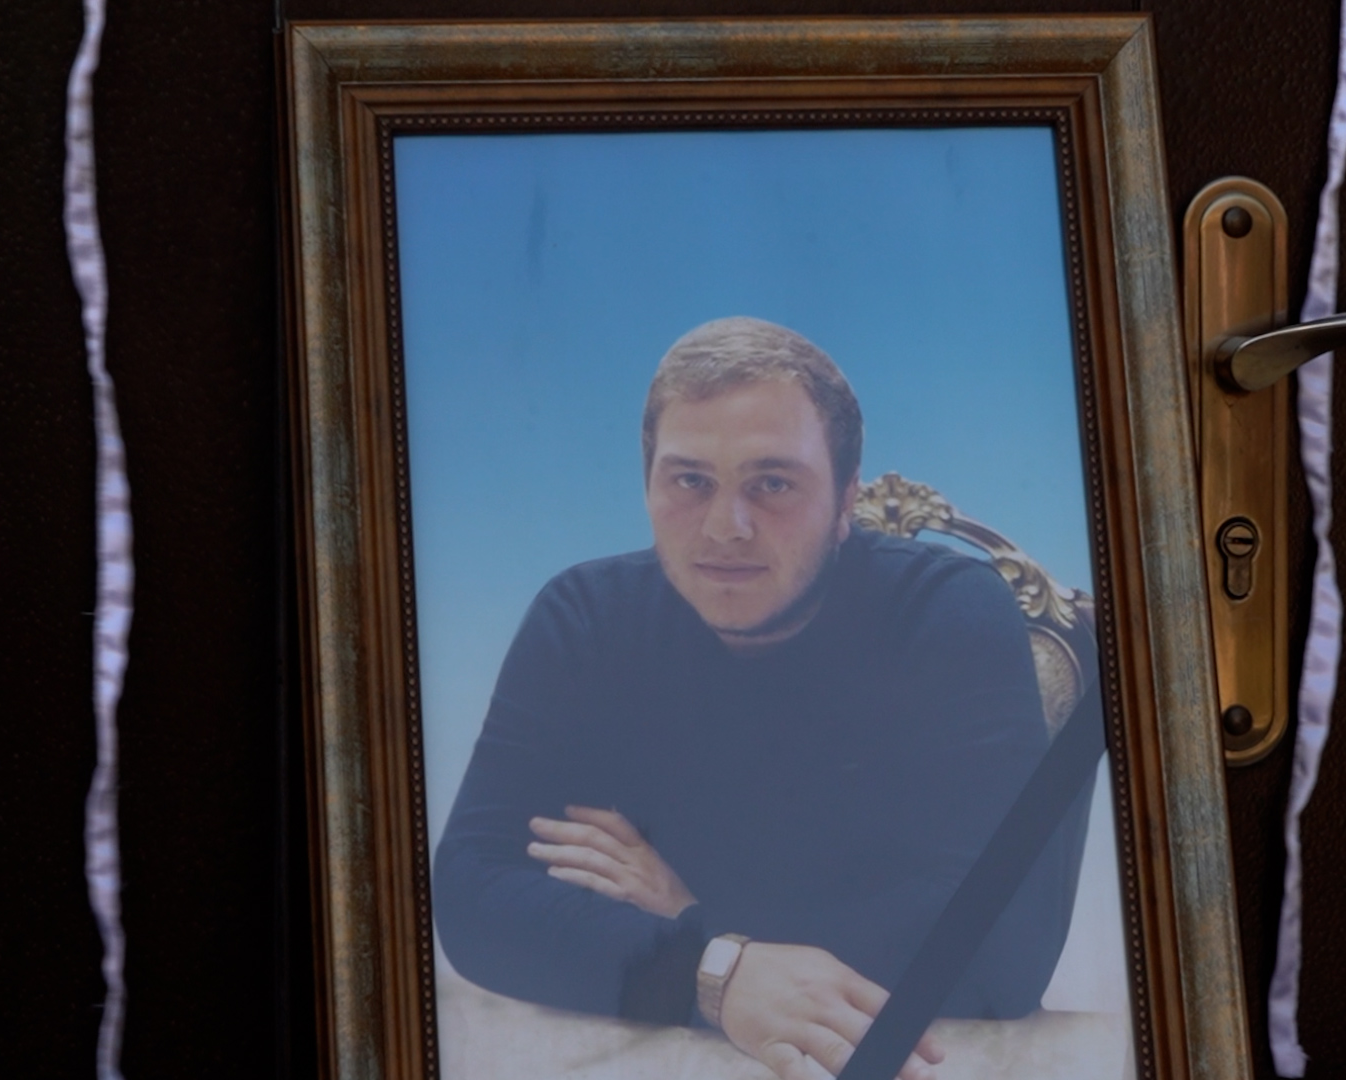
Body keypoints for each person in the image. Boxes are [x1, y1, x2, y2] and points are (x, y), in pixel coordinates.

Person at [434, 317, 1082, 1080]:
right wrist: (714, 973)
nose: (725, 527)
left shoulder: (944, 614)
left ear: (846, 501)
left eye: (772, 483)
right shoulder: (582, 617)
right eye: (690, 481)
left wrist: (693, 922)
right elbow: (471, 895)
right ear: (647, 485)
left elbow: (1003, 954)